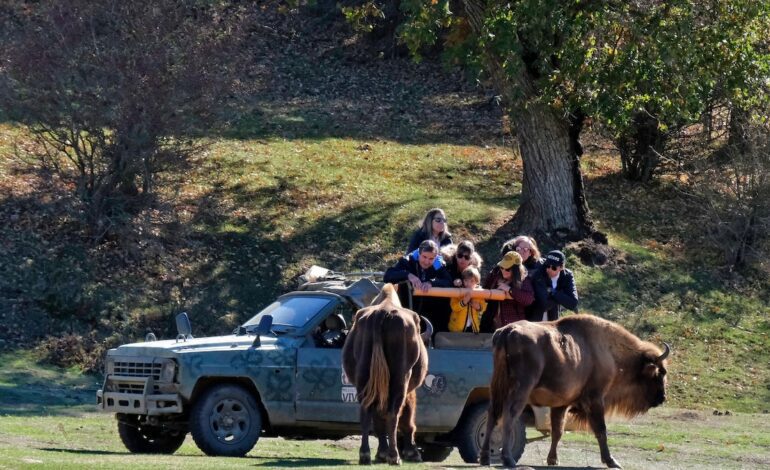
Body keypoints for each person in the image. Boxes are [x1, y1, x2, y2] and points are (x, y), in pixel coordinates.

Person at [384, 239, 452, 331]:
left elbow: (448, 281)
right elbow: (388, 276)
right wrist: (407, 275)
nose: (427, 261)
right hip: (406, 310)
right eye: (424, 257)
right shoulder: (407, 261)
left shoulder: (439, 265)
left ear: (436, 257)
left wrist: (431, 283)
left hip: (429, 314)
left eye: (431, 259)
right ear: (419, 253)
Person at [480, 251, 534, 332]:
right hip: (491, 324)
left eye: (507, 269)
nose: (503, 270)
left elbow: (528, 299)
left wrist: (510, 290)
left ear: (516, 269)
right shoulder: (495, 275)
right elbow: (485, 294)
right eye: (502, 267)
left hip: (513, 327)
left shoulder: (524, 280)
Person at [503, 235, 547, 321]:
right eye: (518, 249)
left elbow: (540, 298)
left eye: (526, 249)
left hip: (535, 314)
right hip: (514, 313)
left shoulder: (539, 268)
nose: (521, 252)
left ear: (531, 252)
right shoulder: (508, 266)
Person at [534, 250, 578, 321]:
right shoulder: (539, 273)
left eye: (554, 267)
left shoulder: (567, 276)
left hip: (553, 317)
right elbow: (544, 305)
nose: (549, 269)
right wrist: (561, 296)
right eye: (547, 265)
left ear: (561, 267)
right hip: (536, 317)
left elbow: (573, 303)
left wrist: (552, 292)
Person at [448, 267, 487, 333]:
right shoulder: (458, 291)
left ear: (477, 282)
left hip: (472, 327)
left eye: (472, 281)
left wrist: (478, 307)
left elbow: (484, 307)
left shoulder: (479, 293)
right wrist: (463, 302)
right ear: (463, 280)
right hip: (457, 327)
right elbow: (454, 307)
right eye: (466, 280)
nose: (468, 284)